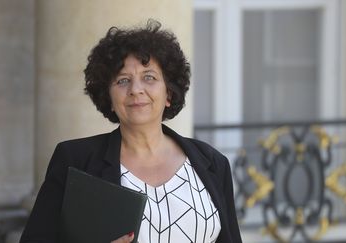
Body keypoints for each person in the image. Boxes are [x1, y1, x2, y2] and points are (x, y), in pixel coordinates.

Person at [20, 20, 242, 243]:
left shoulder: (212, 163)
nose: (136, 90)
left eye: (149, 77)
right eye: (123, 80)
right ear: (109, 98)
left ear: (169, 94)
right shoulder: (75, 161)